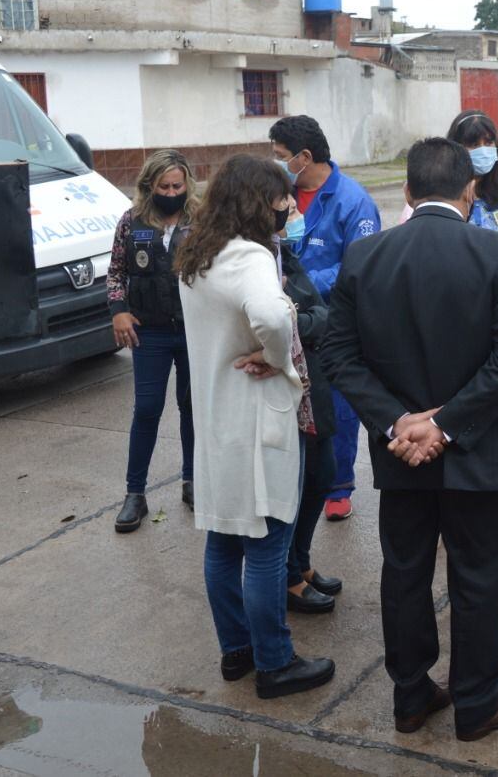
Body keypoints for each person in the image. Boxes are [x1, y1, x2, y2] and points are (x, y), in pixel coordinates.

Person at [322, 137, 498, 742]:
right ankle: (475, 703)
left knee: (406, 571)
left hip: (401, 454)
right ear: (470, 193)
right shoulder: (496, 254)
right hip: (480, 449)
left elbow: (339, 356)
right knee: (480, 574)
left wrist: (401, 422)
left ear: (409, 193)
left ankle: (410, 698)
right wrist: (443, 425)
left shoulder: (364, 257)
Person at [175, 154, 334, 699]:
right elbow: (271, 315)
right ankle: (275, 662)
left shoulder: (200, 252)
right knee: (266, 545)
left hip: (218, 419)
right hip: (256, 415)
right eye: (279, 197)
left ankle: (236, 652)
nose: (288, 206)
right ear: (254, 201)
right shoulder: (250, 255)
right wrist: (277, 356)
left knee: (223, 543)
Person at [400, 110, 498, 400]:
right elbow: (412, 225)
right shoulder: (441, 179)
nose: (483, 151)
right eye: (473, 144)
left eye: (488, 142)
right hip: (456, 287)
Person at [270, 114, 382, 522]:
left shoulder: (353, 201)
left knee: (337, 406)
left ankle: (338, 486)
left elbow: (361, 264)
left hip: (334, 321)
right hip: (286, 319)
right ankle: (299, 475)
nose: (277, 163)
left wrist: (300, 284)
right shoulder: (279, 193)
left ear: (304, 156)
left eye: (281, 156)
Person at [107, 149, 198, 533]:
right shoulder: (131, 222)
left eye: (178, 185)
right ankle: (135, 494)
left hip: (195, 331)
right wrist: (119, 310)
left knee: (193, 407)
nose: (172, 192)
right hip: (151, 332)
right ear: (149, 185)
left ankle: (194, 480)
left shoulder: (203, 219)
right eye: (164, 186)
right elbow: (115, 272)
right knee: (147, 409)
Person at [280, 242, 343, 614]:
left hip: (313, 383)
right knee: (293, 487)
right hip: (284, 390)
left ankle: (301, 562)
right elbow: (271, 326)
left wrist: (300, 323)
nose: (290, 213)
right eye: (282, 206)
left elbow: (324, 314)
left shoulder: (285, 255)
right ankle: (288, 577)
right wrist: (306, 323)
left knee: (322, 476)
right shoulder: (248, 259)